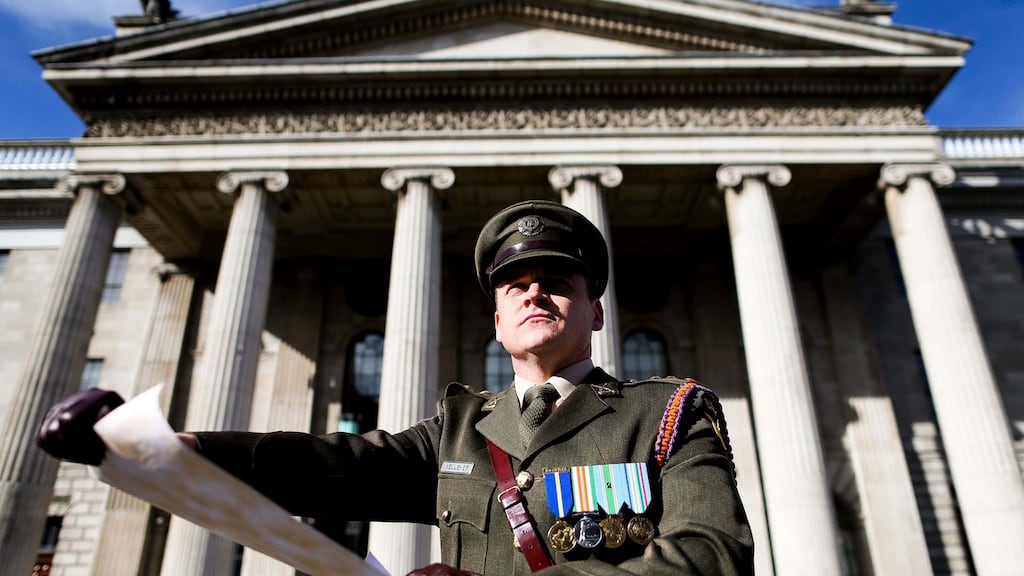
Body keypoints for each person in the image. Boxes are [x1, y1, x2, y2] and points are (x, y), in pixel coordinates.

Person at [38, 200, 753, 575]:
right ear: (498, 320)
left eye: (557, 283)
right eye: (516, 286)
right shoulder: (460, 432)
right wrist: (170, 447)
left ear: (595, 312)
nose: (535, 294)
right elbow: (332, 468)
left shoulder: (666, 414)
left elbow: (711, 557)